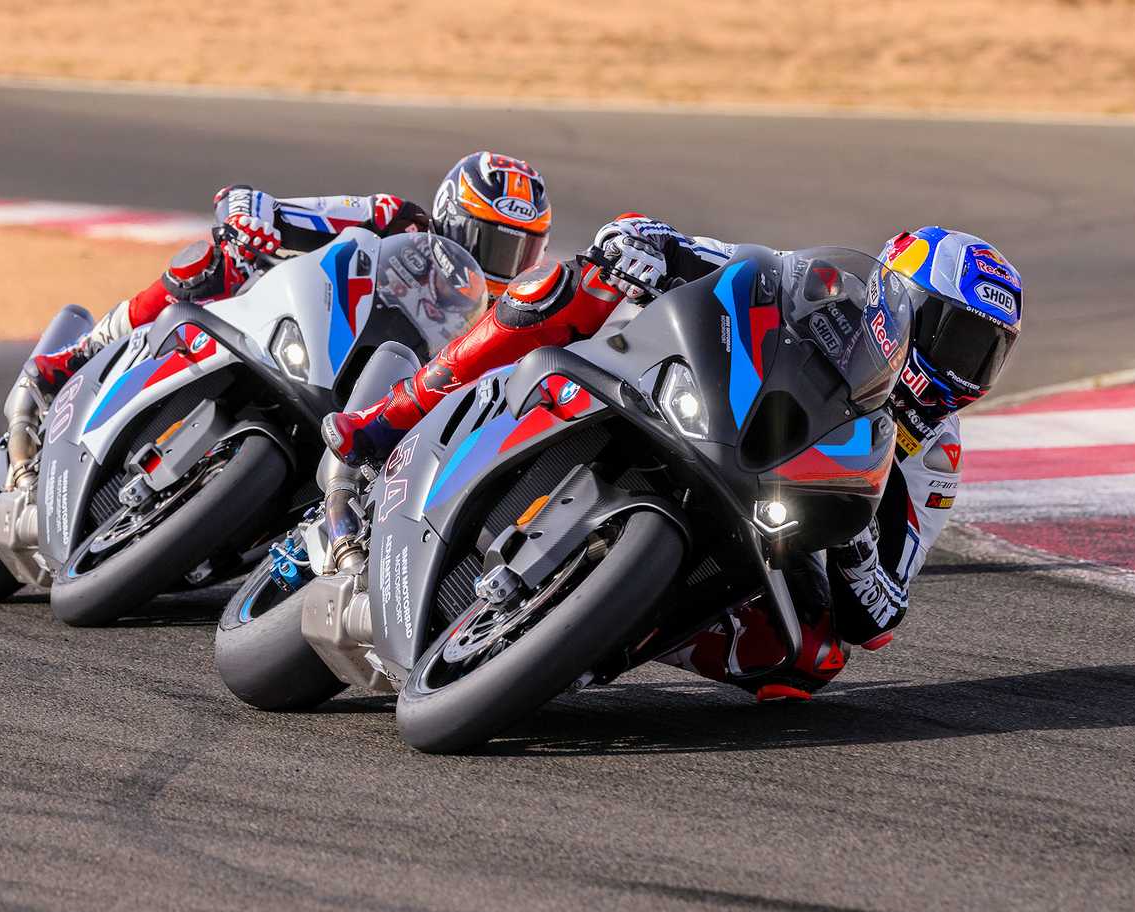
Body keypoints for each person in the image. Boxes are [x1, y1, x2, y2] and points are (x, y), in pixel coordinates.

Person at [324, 219, 1024, 698]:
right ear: (897, 302)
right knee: (571, 285)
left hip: (768, 520)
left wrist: (855, 539)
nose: (965, 370)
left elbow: (881, 615)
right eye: (954, 336)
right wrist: (647, 242)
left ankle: (590, 635)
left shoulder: (935, 458)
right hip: (674, 398)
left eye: (985, 354)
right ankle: (388, 420)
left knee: (812, 659)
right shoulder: (827, 298)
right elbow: (728, 263)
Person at [0, 151, 553, 493]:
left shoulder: (503, 314)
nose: (505, 264)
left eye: (522, 251)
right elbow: (259, 202)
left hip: (380, 407)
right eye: (495, 242)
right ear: (453, 217)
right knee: (214, 261)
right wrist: (250, 222)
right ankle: (75, 356)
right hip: (301, 334)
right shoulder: (393, 217)